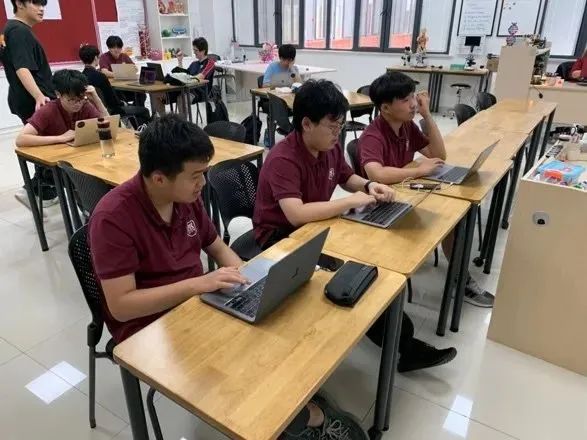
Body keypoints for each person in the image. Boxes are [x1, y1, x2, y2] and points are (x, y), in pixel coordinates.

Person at [88, 114, 369, 440]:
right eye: (195, 176)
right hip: (150, 327)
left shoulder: (184, 197)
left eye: (204, 173)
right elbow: (122, 307)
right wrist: (197, 285)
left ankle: (294, 403)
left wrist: (249, 278)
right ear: (159, 178)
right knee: (247, 361)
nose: (203, 183)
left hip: (195, 302)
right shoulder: (113, 217)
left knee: (284, 323)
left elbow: (217, 246)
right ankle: (298, 419)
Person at [253, 79, 457, 373]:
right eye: (332, 127)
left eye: (340, 126)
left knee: (371, 263)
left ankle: (400, 340)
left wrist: (369, 186)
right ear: (306, 124)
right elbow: (295, 214)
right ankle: (403, 346)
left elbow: (346, 177)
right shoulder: (283, 158)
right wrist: (349, 202)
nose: (338, 133)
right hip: (280, 237)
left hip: (316, 226)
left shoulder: (328, 146)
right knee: (351, 279)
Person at [358, 71, 494, 308]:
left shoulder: (407, 126)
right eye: (405, 100)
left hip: (406, 194)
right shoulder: (373, 135)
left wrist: (427, 115)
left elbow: (438, 155)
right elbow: (376, 174)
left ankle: (459, 278)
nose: (413, 104)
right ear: (385, 108)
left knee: (453, 217)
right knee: (448, 220)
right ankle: (461, 280)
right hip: (382, 206)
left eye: (413, 97)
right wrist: (418, 171)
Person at [1, 0, 57, 207]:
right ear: (19, 3)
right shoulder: (18, 31)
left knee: (45, 144)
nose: (41, 9)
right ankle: (35, 190)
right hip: (34, 100)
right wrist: (39, 96)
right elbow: (22, 68)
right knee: (50, 145)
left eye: (43, 4)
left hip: (25, 98)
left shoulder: (12, 29)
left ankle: (43, 191)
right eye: (35, 3)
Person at [15, 69, 109, 147]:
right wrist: (60, 138)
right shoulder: (48, 110)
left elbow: (109, 127)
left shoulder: (85, 104)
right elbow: (20, 139)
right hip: (53, 159)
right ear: (58, 94)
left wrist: (97, 99)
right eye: (71, 99)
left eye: (81, 98)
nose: (78, 104)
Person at [79, 44, 151, 128]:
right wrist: (123, 103)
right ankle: (144, 131)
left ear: (82, 60)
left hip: (93, 112)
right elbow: (112, 101)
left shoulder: (80, 77)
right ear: (95, 58)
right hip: (111, 111)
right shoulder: (100, 77)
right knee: (144, 111)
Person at [169, 37, 216, 114]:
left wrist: (186, 78)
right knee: (161, 96)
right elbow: (184, 75)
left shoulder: (210, 63)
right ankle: (161, 121)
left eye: (196, 50)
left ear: (203, 51)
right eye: (193, 50)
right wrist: (180, 61)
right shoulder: (194, 64)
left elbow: (201, 76)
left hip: (200, 92)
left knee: (182, 99)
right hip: (187, 89)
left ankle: (183, 121)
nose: (194, 52)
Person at [99, 35, 146, 107]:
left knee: (141, 94)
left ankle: (138, 111)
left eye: (119, 47)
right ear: (109, 48)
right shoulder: (104, 57)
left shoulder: (124, 56)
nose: (116, 50)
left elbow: (135, 69)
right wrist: (120, 74)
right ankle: (127, 108)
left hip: (127, 86)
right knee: (118, 95)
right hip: (115, 88)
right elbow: (104, 72)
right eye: (113, 47)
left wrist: (131, 69)